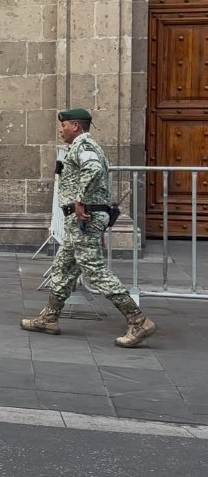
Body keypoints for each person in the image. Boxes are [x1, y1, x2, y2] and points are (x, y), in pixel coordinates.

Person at [20, 107, 157, 348]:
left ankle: (138, 320)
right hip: (85, 219)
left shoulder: (84, 147)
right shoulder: (88, 146)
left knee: (95, 271)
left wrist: (79, 200)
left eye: (64, 126)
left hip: (85, 217)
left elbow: (92, 170)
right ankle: (49, 318)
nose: (61, 130)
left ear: (75, 126)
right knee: (63, 268)